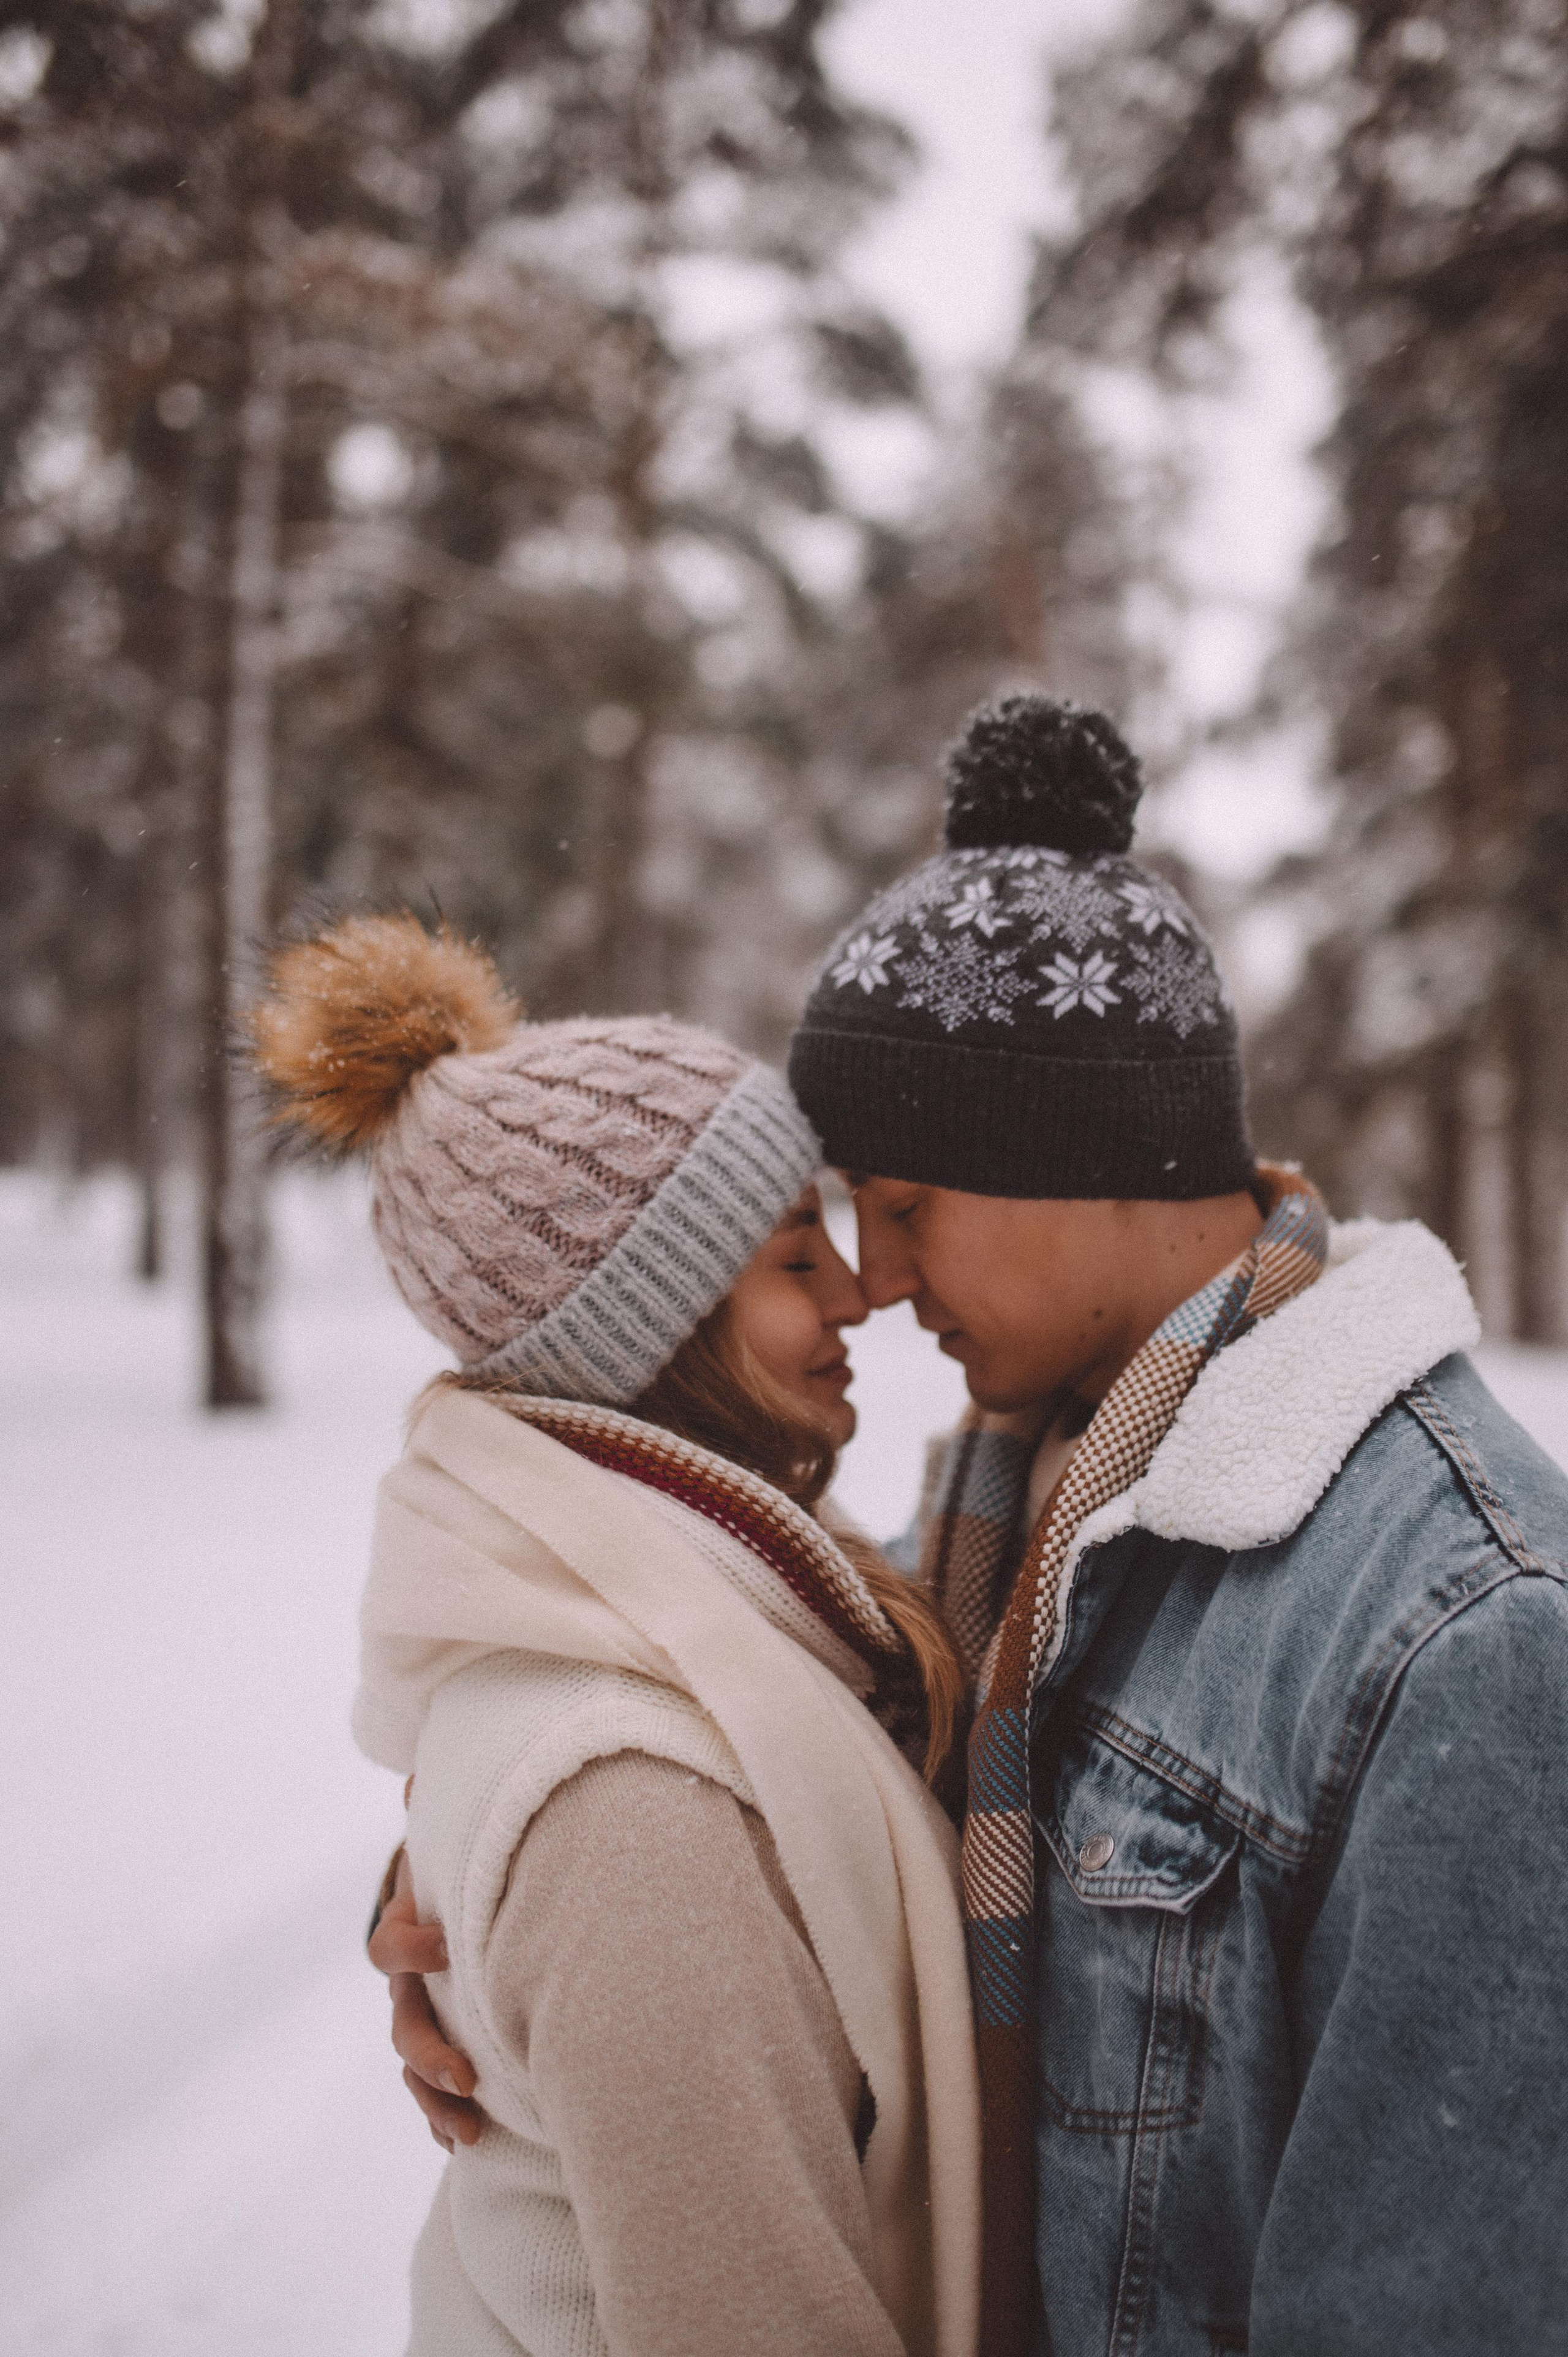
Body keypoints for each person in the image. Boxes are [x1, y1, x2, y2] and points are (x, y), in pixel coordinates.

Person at [383, 690, 1568, 2355]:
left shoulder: (1465, 1632)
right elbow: (779, 1755)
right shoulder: (1021, 1491)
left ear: (1087, 1152)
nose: (873, 1277)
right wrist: (506, 1908)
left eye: (906, 1204)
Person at [249, 912, 981, 2357]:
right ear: (648, 1334)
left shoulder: (697, 1636)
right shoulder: (633, 1802)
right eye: (790, 1261)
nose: (854, 1295)